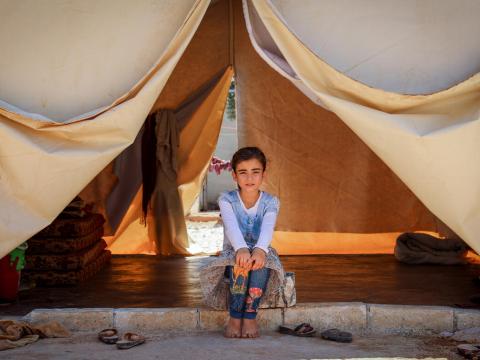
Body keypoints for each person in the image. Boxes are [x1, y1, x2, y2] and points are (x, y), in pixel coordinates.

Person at [200, 146, 285, 339]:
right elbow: (231, 228)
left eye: (255, 172)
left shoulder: (271, 202)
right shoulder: (226, 200)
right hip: (234, 252)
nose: (249, 178)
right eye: (243, 173)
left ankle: (250, 316)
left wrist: (260, 251)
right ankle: (235, 316)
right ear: (234, 176)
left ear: (263, 174)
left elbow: (267, 228)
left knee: (259, 265)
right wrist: (241, 249)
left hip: (262, 252)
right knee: (241, 265)